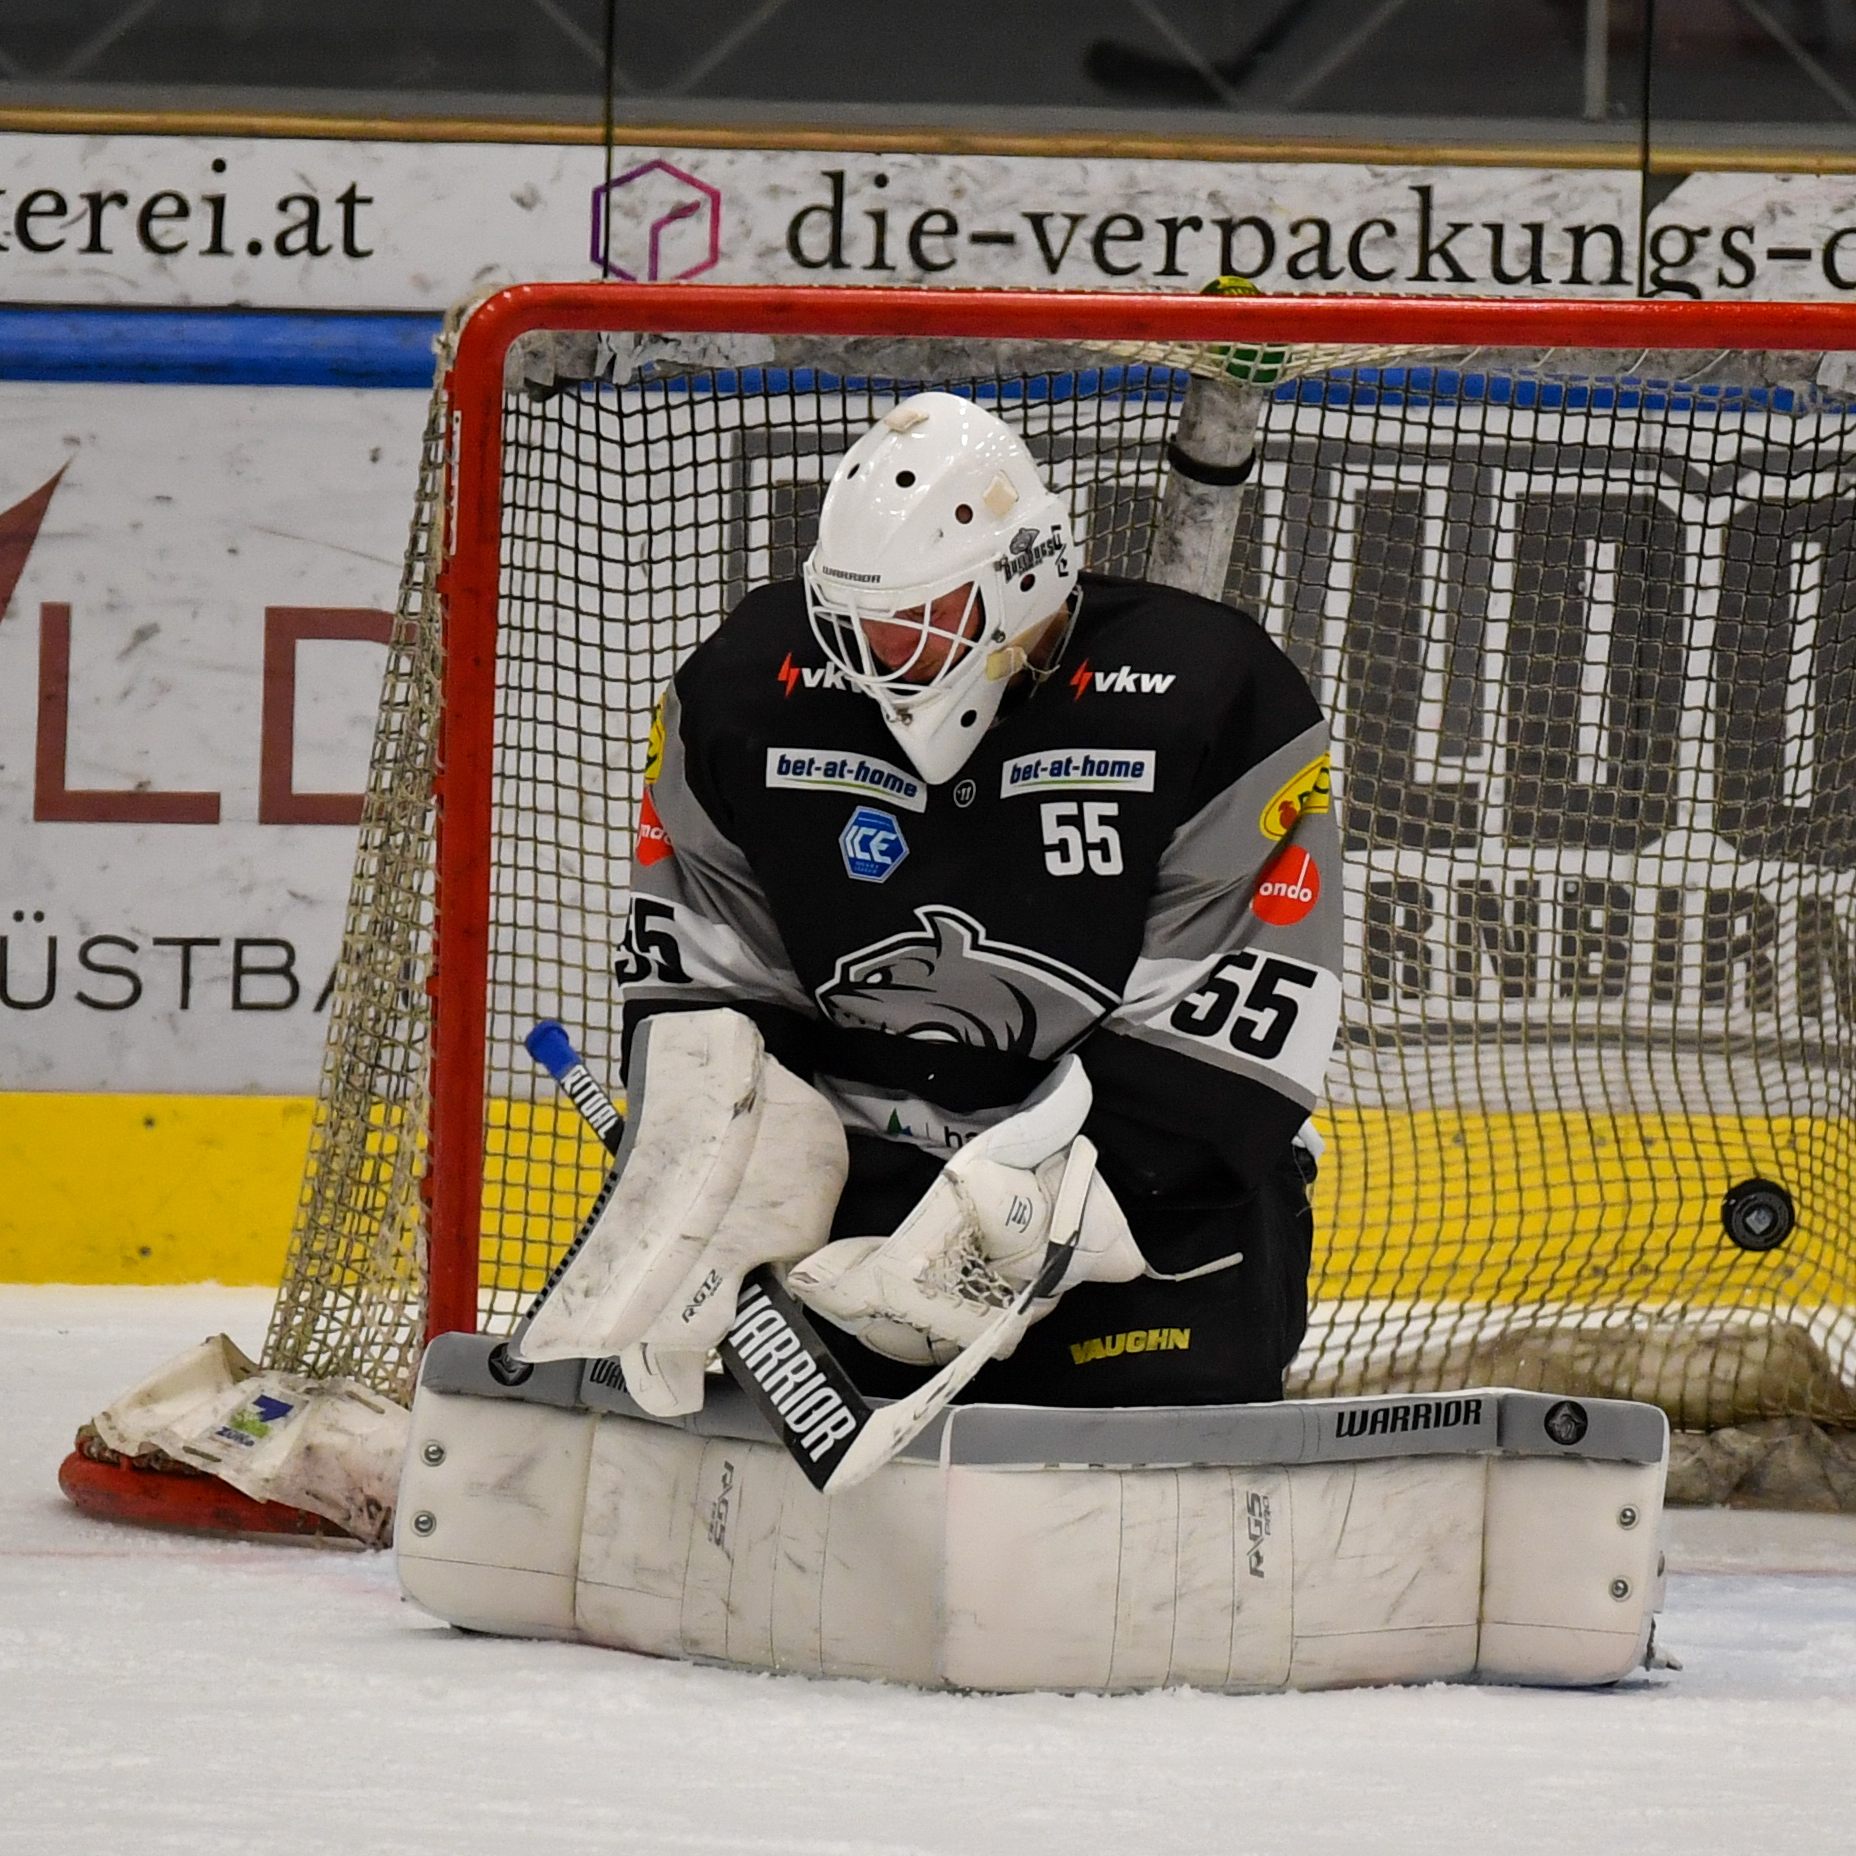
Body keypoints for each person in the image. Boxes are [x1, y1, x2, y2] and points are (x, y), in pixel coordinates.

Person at [612, 388, 1341, 1409]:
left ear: (1020, 578)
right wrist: (716, 1188)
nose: (877, 656)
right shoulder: (745, 687)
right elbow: (701, 981)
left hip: (1139, 1209)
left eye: (917, 618)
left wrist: (1015, 1221)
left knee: (1148, 1470)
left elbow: (1228, 1037)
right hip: (852, 1201)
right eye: (856, 622)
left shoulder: (1219, 697)